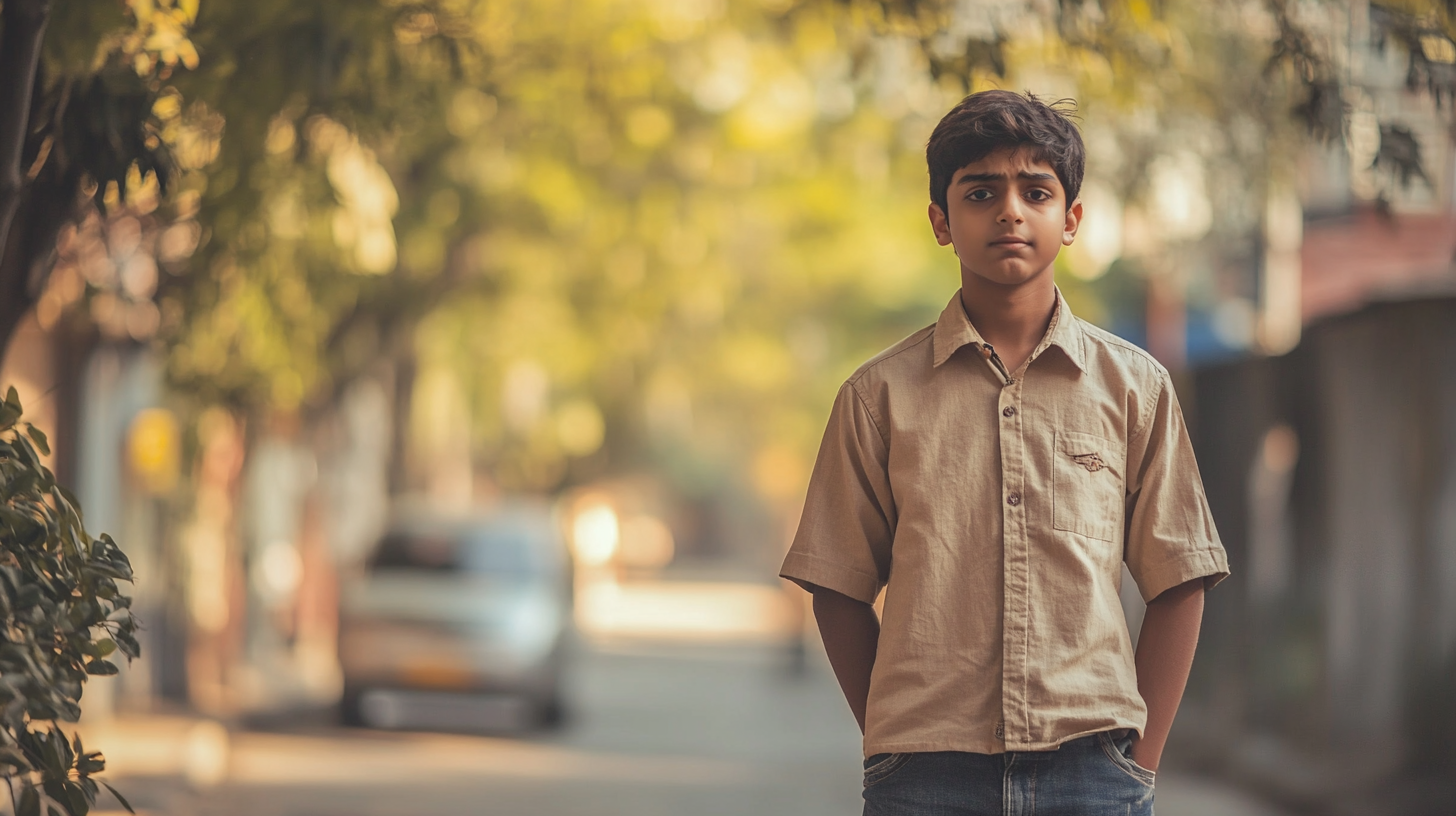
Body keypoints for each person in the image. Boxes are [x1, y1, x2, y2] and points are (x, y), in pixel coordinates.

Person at [778, 90, 1229, 816]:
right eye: (981, 191)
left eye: (1036, 191)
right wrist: (895, 739)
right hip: (925, 779)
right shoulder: (877, 397)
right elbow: (836, 581)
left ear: (1071, 219)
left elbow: (1179, 578)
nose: (1010, 211)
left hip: (1093, 772)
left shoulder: (1135, 389)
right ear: (941, 221)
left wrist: (1138, 765)